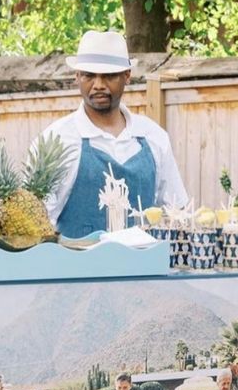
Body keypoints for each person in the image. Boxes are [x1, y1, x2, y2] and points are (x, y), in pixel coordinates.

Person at [38, 30, 188, 237]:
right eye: (89, 75)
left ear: (127, 76)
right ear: (77, 77)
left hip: (143, 267)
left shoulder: (153, 137)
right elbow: (36, 221)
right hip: (76, 266)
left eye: (109, 76)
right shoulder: (56, 140)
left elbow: (176, 211)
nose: (98, 85)